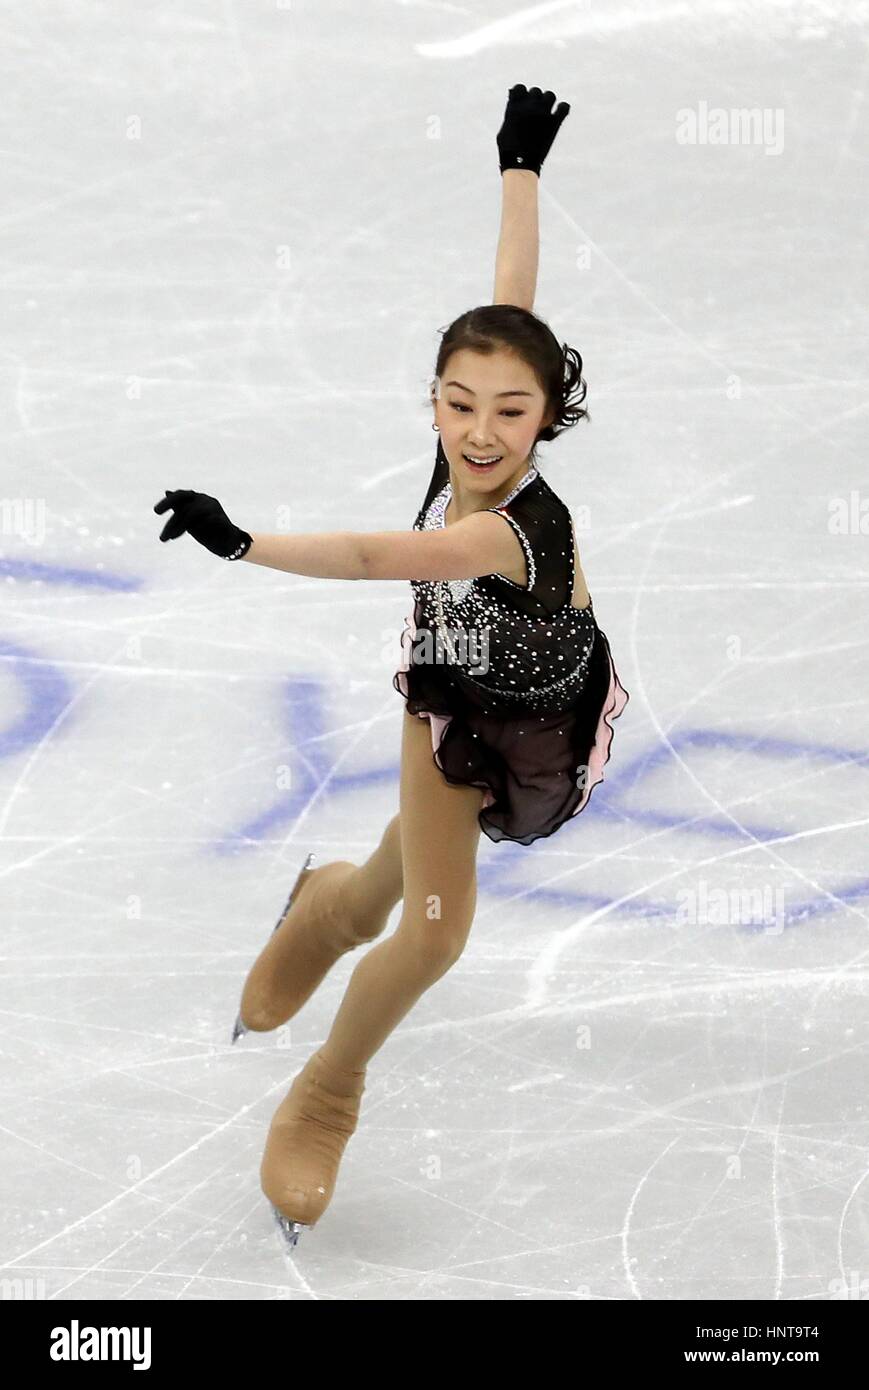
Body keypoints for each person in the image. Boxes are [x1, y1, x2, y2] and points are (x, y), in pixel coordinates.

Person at [153, 85, 629, 1253]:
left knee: (400, 885)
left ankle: (330, 904)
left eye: (507, 413)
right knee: (434, 930)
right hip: (455, 704)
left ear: (546, 417)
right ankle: (328, 1087)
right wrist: (519, 169)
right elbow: (505, 303)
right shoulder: (474, 416)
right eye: (456, 403)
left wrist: (240, 539)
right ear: (435, 396)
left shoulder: (507, 530)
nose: (476, 431)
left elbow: (380, 553)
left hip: (541, 711)